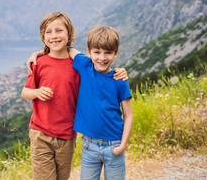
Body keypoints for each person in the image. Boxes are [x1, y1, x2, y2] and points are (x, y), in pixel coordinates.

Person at [21, 12, 128, 180]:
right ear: (43, 36)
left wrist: (120, 72)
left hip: (67, 135)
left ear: (69, 34)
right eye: (48, 32)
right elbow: (25, 92)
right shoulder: (38, 63)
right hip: (40, 132)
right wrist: (36, 92)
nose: (54, 35)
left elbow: (99, 68)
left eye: (59, 31)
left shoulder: (79, 66)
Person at [68, 26, 133, 180]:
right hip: (89, 145)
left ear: (115, 53)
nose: (102, 58)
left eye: (108, 53)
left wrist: (122, 145)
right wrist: (36, 53)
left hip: (114, 145)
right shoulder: (84, 65)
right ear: (89, 51)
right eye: (97, 52)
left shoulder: (119, 80)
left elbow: (128, 116)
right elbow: (66, 48)